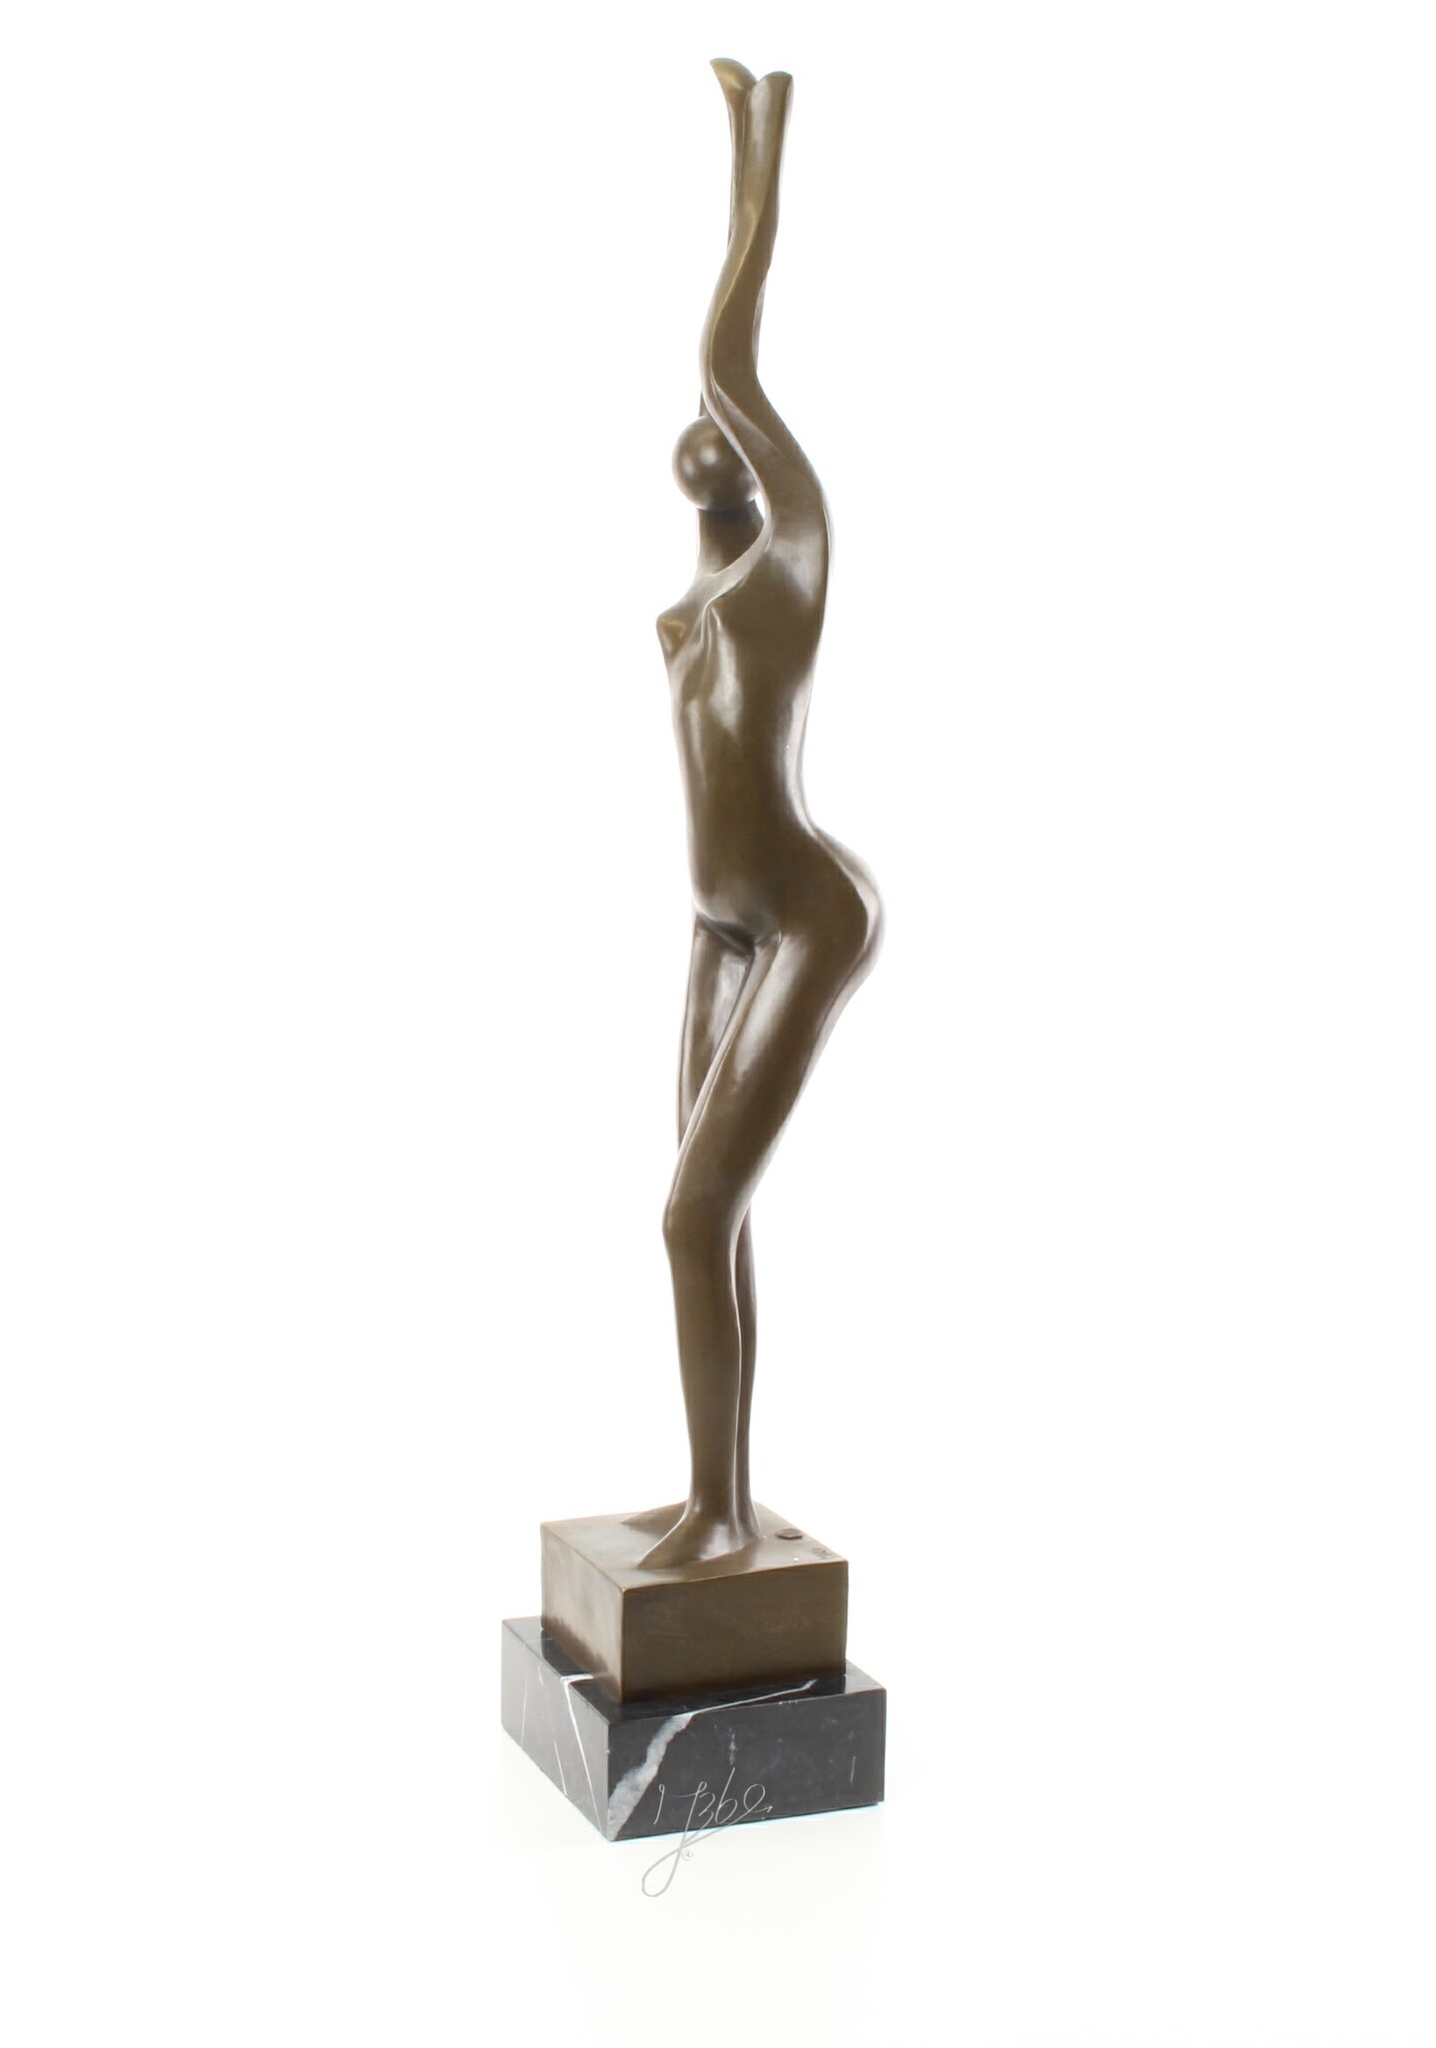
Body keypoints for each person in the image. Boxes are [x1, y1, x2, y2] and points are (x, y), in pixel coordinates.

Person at [640, 61, 882, 1570]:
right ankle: (710, 1495)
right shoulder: (699, 584)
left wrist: (752, 139)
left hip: (802, 910)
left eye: (727, 423)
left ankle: (725, 1517)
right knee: (701, 1215)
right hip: (717, 923)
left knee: (691, 1214)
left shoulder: (787, 560)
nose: (708, 425)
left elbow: (728, 353)